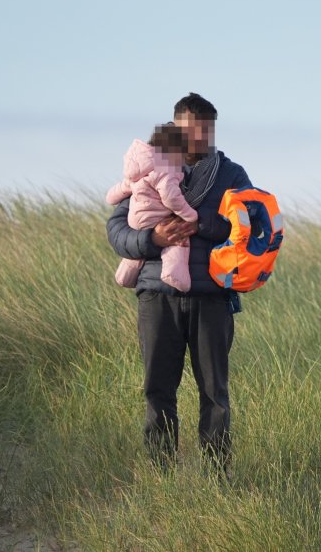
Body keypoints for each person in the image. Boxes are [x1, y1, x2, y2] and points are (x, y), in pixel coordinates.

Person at [106, 93, 251, 479]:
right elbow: (117, 229)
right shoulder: (150, 164)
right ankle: (161, 476)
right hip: (157, 295)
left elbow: (249, 223)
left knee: (215, 394)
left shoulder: (230, 174)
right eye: (194, 129)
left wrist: (199, 224)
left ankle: (218, 477)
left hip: (213, 296)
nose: (202, 136)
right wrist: (153, 238)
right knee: (157, 388)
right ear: (176, 127)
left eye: (209, 129)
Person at [105, 124, 196, 292]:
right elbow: (171, 198)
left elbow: (121, 188)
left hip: (135, 219)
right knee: (178, 239)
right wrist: (189, 214)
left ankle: (125, 274)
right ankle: (173, 273)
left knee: (138, 251)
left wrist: (110, 197)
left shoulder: (140, 170)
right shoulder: (166, 170)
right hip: (154, 219)